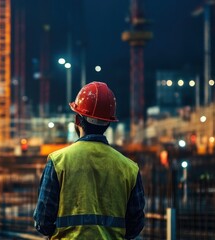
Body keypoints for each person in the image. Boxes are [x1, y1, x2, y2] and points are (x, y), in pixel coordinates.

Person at [33, 81, 145, 239]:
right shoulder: (129, 168)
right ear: (108, 123)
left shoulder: (58, 161)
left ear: (77, 121)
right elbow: (135, 225)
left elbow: (42, 222)